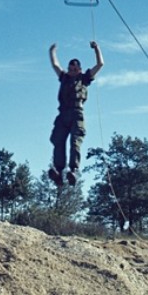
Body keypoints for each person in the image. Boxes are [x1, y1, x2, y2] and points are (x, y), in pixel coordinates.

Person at [48, 41, 104, 186]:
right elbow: (55, 65)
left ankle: (74, 170)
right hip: (63, 114)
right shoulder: (64, 78)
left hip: (76, 113)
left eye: (74, 68)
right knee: (58, 140)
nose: (72, 70)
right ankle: (59, 172)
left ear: (79, 69)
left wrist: (96, 49)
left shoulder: (84, 78)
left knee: (75, 142)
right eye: (70, 68)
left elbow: (100, 65)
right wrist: (52, 51)